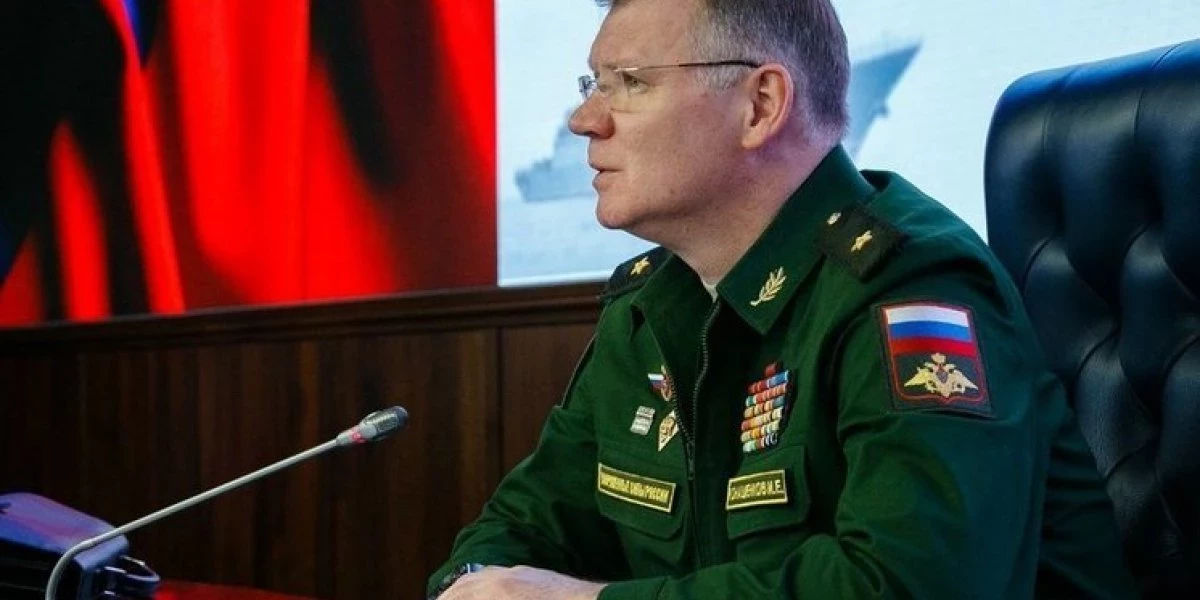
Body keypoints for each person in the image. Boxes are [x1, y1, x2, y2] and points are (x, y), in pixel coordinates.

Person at [428, 0, 1137, 597]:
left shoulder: (910, 288)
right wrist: (477, 584)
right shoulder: (648, 307)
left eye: (629, 82)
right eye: (594, 83)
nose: (585, 119)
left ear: (760, 105)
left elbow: (915, 584)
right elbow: (517, 531)